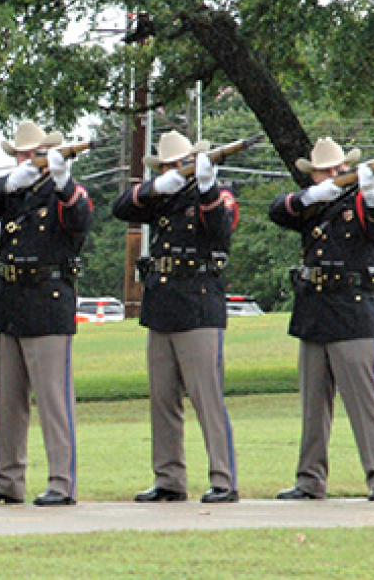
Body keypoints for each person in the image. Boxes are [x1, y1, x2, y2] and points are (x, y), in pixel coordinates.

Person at [0, 122, 92, 507]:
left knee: (53, 400)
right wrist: (9, 182)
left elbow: (80, 218)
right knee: (9, 401)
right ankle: (7, 480)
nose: (26, 160)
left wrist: (63, 180)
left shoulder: (64, 191)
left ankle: (61, 482)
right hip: (10, 302)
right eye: (20, 154)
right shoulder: (13, 193)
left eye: (32, 153)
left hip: (47, 301)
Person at [111, 131, 240, 504]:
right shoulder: (161, 198)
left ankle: (223, 478)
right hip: (162, 304)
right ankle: (169, 478)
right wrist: (155, 187)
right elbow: (122, 208)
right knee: (163, 398)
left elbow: (220, 231)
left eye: (175, 164)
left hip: (198, 303)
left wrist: (206, 187)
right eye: (165, 165)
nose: (171, 170)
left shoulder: (214, 194)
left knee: (207, 398)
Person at [268, 137, 374, 502]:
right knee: (313, 406)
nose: (324, 177)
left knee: (364, 403)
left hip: (353, 309)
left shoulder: (359, 200)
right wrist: (309, 197)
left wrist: (371, 197)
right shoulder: (311, 203)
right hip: (314, 310)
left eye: (330, 171)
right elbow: (278, 211)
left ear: (344, 170)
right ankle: (309, 479)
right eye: (319, 172)